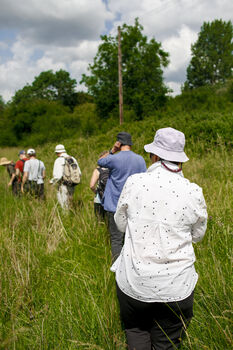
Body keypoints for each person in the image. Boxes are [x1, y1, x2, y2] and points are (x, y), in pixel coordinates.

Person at [111, 127, 208, 350]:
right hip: (177, 287)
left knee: (135, 332)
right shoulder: (193, 191)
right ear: (180, 159)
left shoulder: (135, 183)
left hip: (135, 283)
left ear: (154, 156)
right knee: (167, 343)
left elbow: (120, 224)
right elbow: (198, 236)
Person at [97, 132, 147, 261]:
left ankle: (117, 267)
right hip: (133, 205)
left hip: (114, 204)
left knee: (116, 240)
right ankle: (131, 266)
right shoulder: (140, 159)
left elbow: (100, 162)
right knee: (131, 239)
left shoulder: (114, 158)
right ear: (130, 143)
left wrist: (112, 150)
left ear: (119, 143)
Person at [50, 144, 81, 209]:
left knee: (63, 204)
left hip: (63, 185)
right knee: (70, 201)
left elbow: (58, 176)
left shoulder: (58, 160)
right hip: (72, 184)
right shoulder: (73, 158)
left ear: (57, 152)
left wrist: (51, 182)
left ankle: (66, 216)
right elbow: (79, 173)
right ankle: (71, 214)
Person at [90, 150, 109, 219]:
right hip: (111, 200)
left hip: (99, 199)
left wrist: (96, 192)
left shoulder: (97, 170)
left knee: (100, 220)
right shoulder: (113, 170)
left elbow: (92, 186)